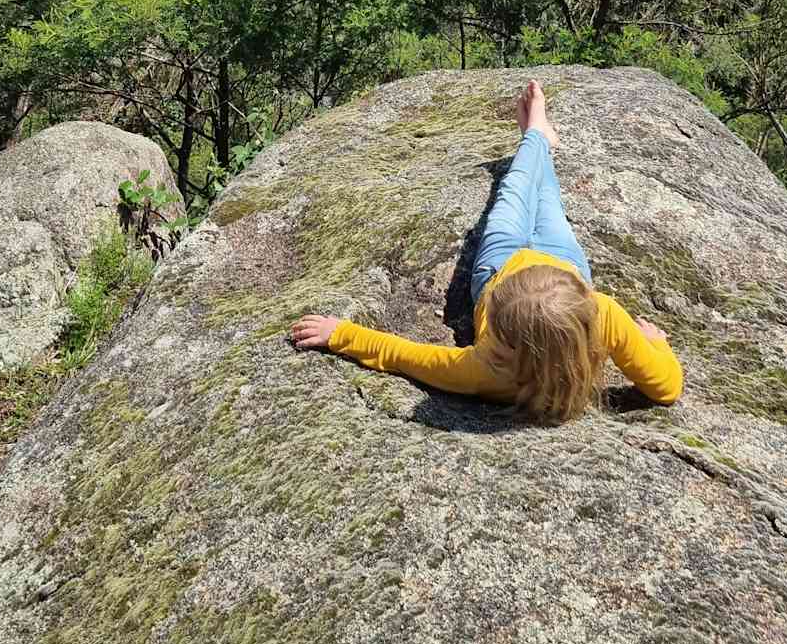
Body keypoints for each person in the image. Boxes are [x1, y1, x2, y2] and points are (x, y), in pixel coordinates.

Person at [290, 79, 684, 424]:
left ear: (507, 336)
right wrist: (655, 343)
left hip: (500, 261)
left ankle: (536, 137)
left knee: (517, 191)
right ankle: (539, 139)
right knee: (545, 197)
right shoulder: (604, 316)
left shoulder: (484, 369)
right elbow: (667, 388)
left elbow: (405, 356)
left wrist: (339, 334)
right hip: (565, 264)